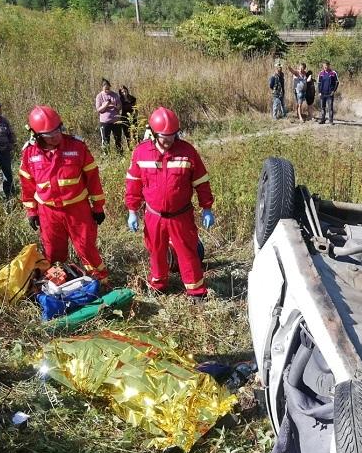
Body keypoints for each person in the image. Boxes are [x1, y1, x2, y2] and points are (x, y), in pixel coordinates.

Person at [124, 106, 215, 300]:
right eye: (165, 137)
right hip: (154, 216)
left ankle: (196, 290)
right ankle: (158, 283)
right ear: (154, 133)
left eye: (173, 135)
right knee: (156, 251)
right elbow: (133, 183)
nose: (169, 140)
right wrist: (132, 210)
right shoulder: (141, 153)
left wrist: (206, 207)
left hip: (181, 216)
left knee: (187, 252)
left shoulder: (187, 152)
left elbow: (201, 181)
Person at [19, 105, 109, 282]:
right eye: (49, 135)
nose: (55, 136)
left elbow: (93, 178)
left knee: (87, 249)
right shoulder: (29, 153)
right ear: (36, 135)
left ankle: (101, 283)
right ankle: (62, 289)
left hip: (78, 210)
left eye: (57, 130)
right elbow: (27, 185)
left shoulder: (77, 147)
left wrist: (98, 207)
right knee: (53, 254)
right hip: (48, 213)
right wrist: (31, 211)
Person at [95, 78, 122, 153]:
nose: (106, 88)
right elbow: (99, 110)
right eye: (104, 86)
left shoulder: (115, 95)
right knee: (105, 140)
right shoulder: (99, 96)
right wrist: (106, 105)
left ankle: (120, 154)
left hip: (116, 121)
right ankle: (106, 156)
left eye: (108, 86)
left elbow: (119, 107)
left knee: (118, 139)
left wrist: (114, 105)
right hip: (105, 122)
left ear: (110, 86)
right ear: (102, 87)